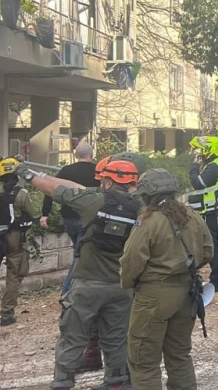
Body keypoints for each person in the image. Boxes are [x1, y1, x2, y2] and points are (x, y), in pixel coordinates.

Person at [17, 156, 143, 389]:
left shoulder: (92, 202)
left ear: (106, 181)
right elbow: (80, 188)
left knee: (73, 336)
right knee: (116, 337)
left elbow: (59, 190)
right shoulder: (142, 207)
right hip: (123, 285)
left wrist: (29, 174)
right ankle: (116, 382)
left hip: (88, 284)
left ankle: (63, 382)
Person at [121, 169, 214, 390]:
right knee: (180, 356)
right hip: (187, 292)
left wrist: (129, 284)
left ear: (146, 194)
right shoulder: (193, 216)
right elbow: (208, 251)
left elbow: (131, 261)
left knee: (143, 361)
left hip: (154, 295)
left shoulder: (149, 221)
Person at [40, 143, 100, 295]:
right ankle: (67, 292)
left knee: (79, 252)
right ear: (91, 154)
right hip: (89, 220)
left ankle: (78, 290)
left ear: (75, 155)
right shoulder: (98, 171)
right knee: (79, 257)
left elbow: (51, 190)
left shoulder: (66, 170)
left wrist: (45, 213)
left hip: (69, 218)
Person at [189, 136, 218, 290]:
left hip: (214, 211)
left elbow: (197, 183)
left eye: (203, 150)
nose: (201, 153)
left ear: (211, 150)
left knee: (215, 245)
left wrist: (194, 167)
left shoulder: (214, 166)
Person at [1, 158, 34, 327]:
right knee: (14, 274)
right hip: (14, 237)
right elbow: (33, 213)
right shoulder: (21, 194)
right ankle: (7, 313)